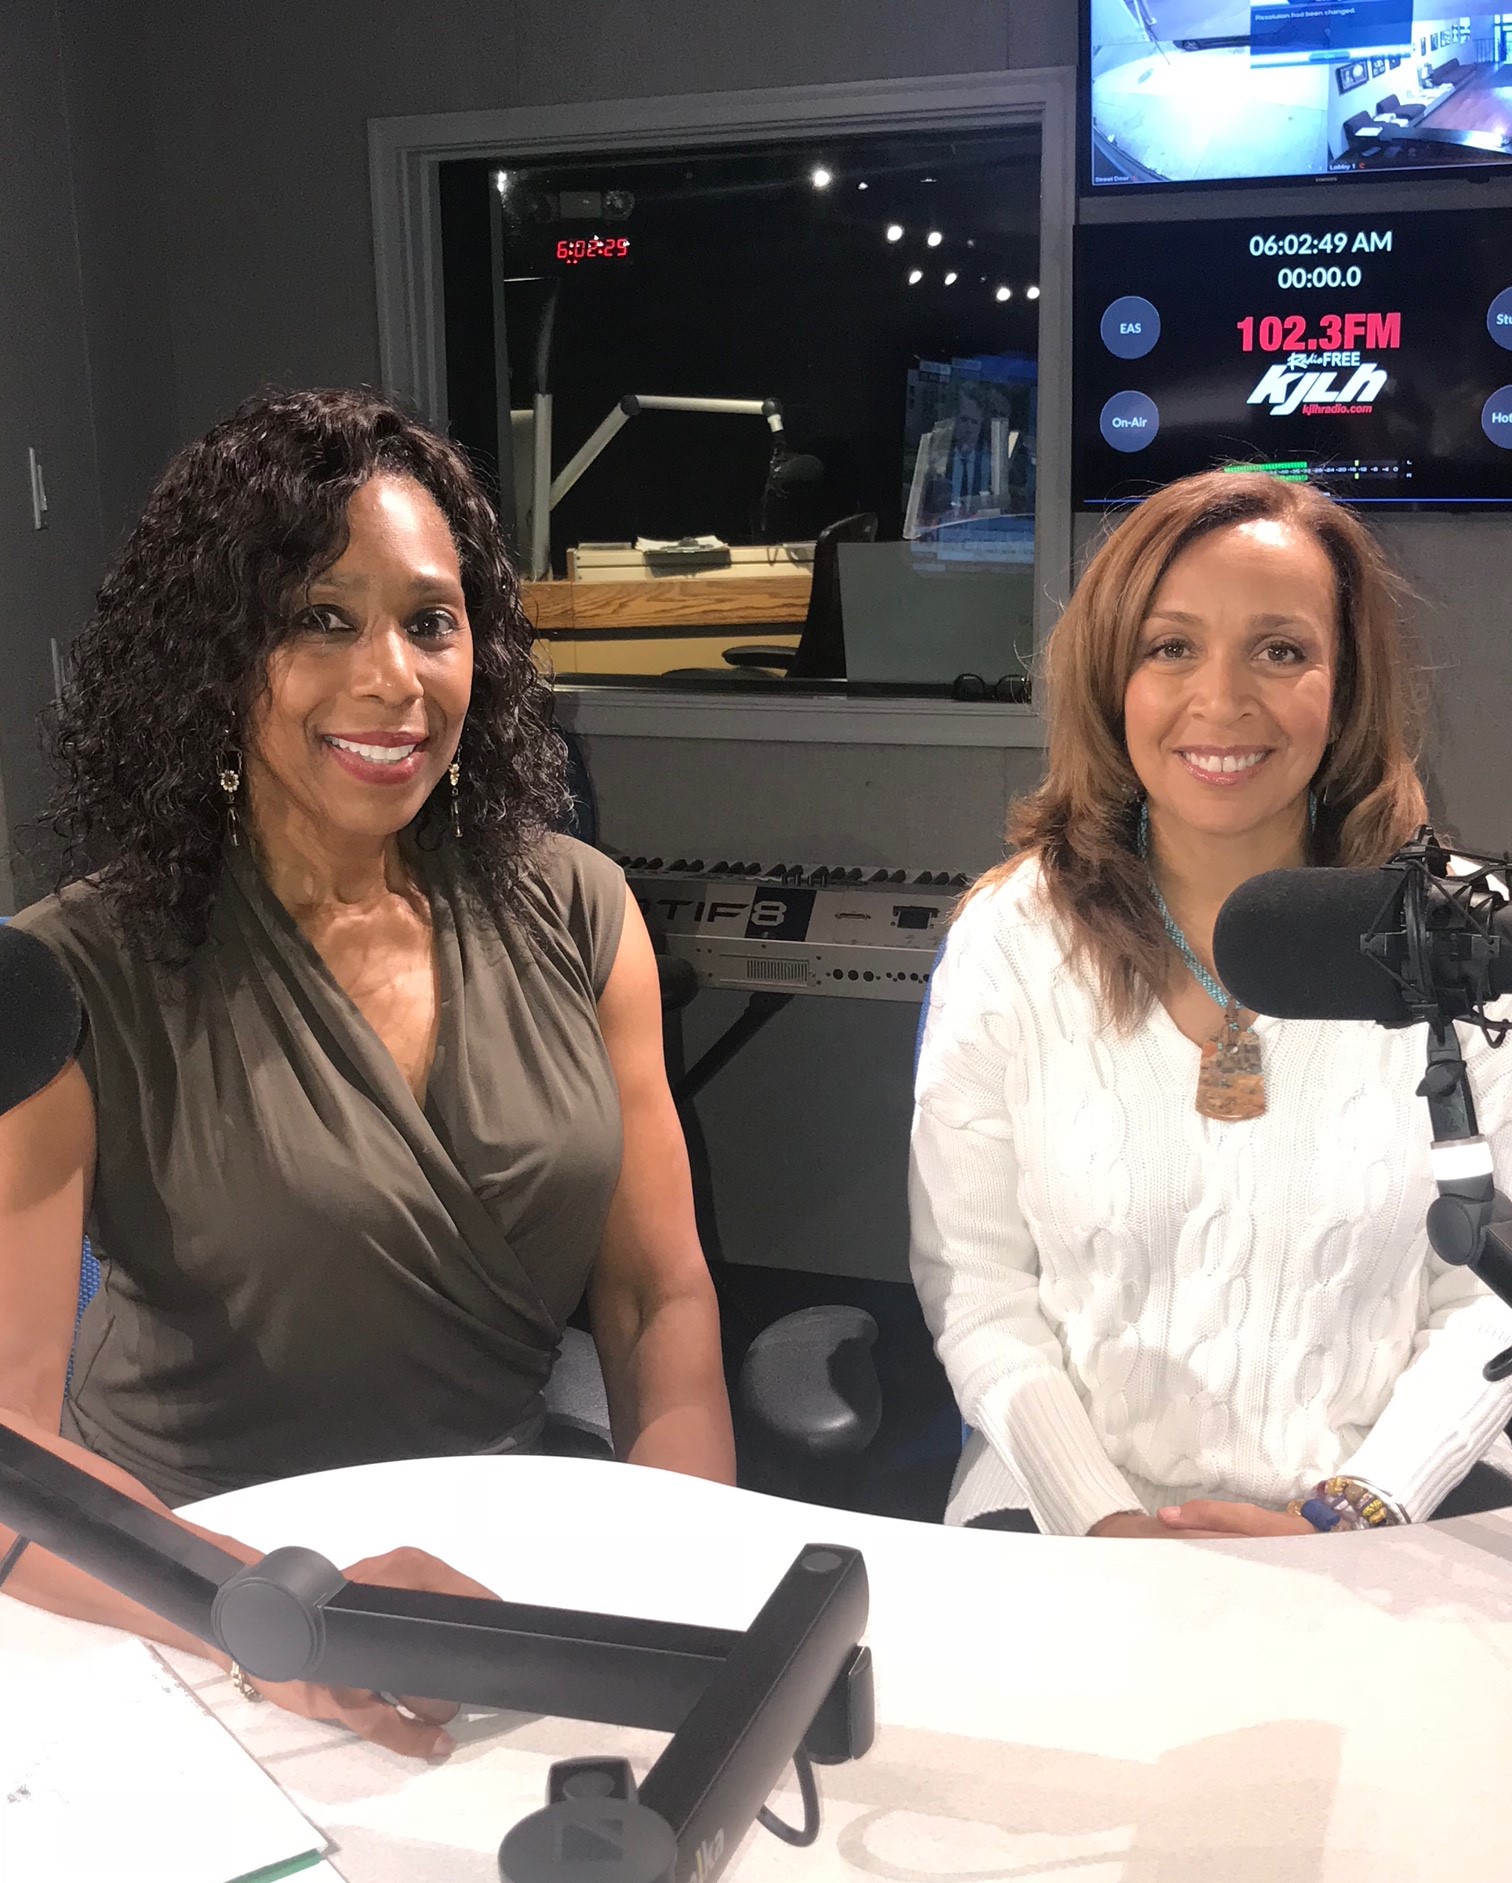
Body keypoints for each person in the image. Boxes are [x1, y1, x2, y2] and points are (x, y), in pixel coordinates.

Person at [0, 387, 734, 1752]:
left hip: (496, 1567)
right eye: (319, 619)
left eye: (430, 621)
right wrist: (263, 1611)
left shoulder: (578, 907)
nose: (395, 678)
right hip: (183, 1584)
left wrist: (681, 1570)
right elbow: (5, 1455)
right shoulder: (71, 974)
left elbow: (656, 1296)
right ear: (214, 659)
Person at [910, 469, 1512, 1539]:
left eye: (1280, 651)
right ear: (1113, 678)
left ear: (1346, 686)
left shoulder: (1468, 939)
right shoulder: (1010, 941)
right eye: (1170, 647)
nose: (1222, 701)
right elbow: (979, 1290)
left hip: (1398, 1513)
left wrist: (1352, 1517)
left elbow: (1489, 1304)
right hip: (1072, 1515)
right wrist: (1105, 1519)